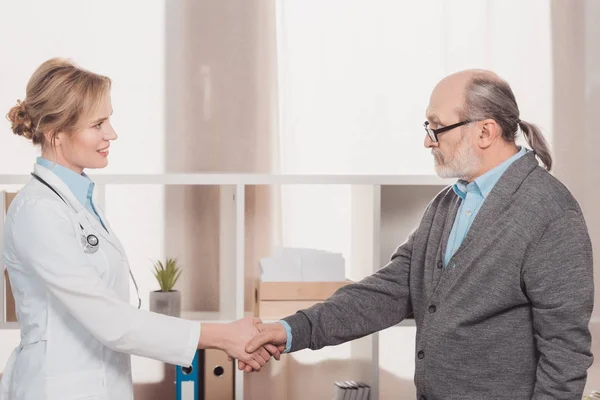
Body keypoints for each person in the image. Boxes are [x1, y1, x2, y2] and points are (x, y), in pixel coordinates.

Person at [244, 70, 594, 399]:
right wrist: (291, 330)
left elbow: (565, 354)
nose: (428, 142)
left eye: (437, 127)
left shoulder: (550, 212)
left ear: (485, 132)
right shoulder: (447, 204)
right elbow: (388, 291)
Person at [0, 58, 278, 400]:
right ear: (56, 133)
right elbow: (111, 320)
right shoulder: (38, 212)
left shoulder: (76, 202)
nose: (111, 134)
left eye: (109, 120)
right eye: (98, 124)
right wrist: (223, 336)